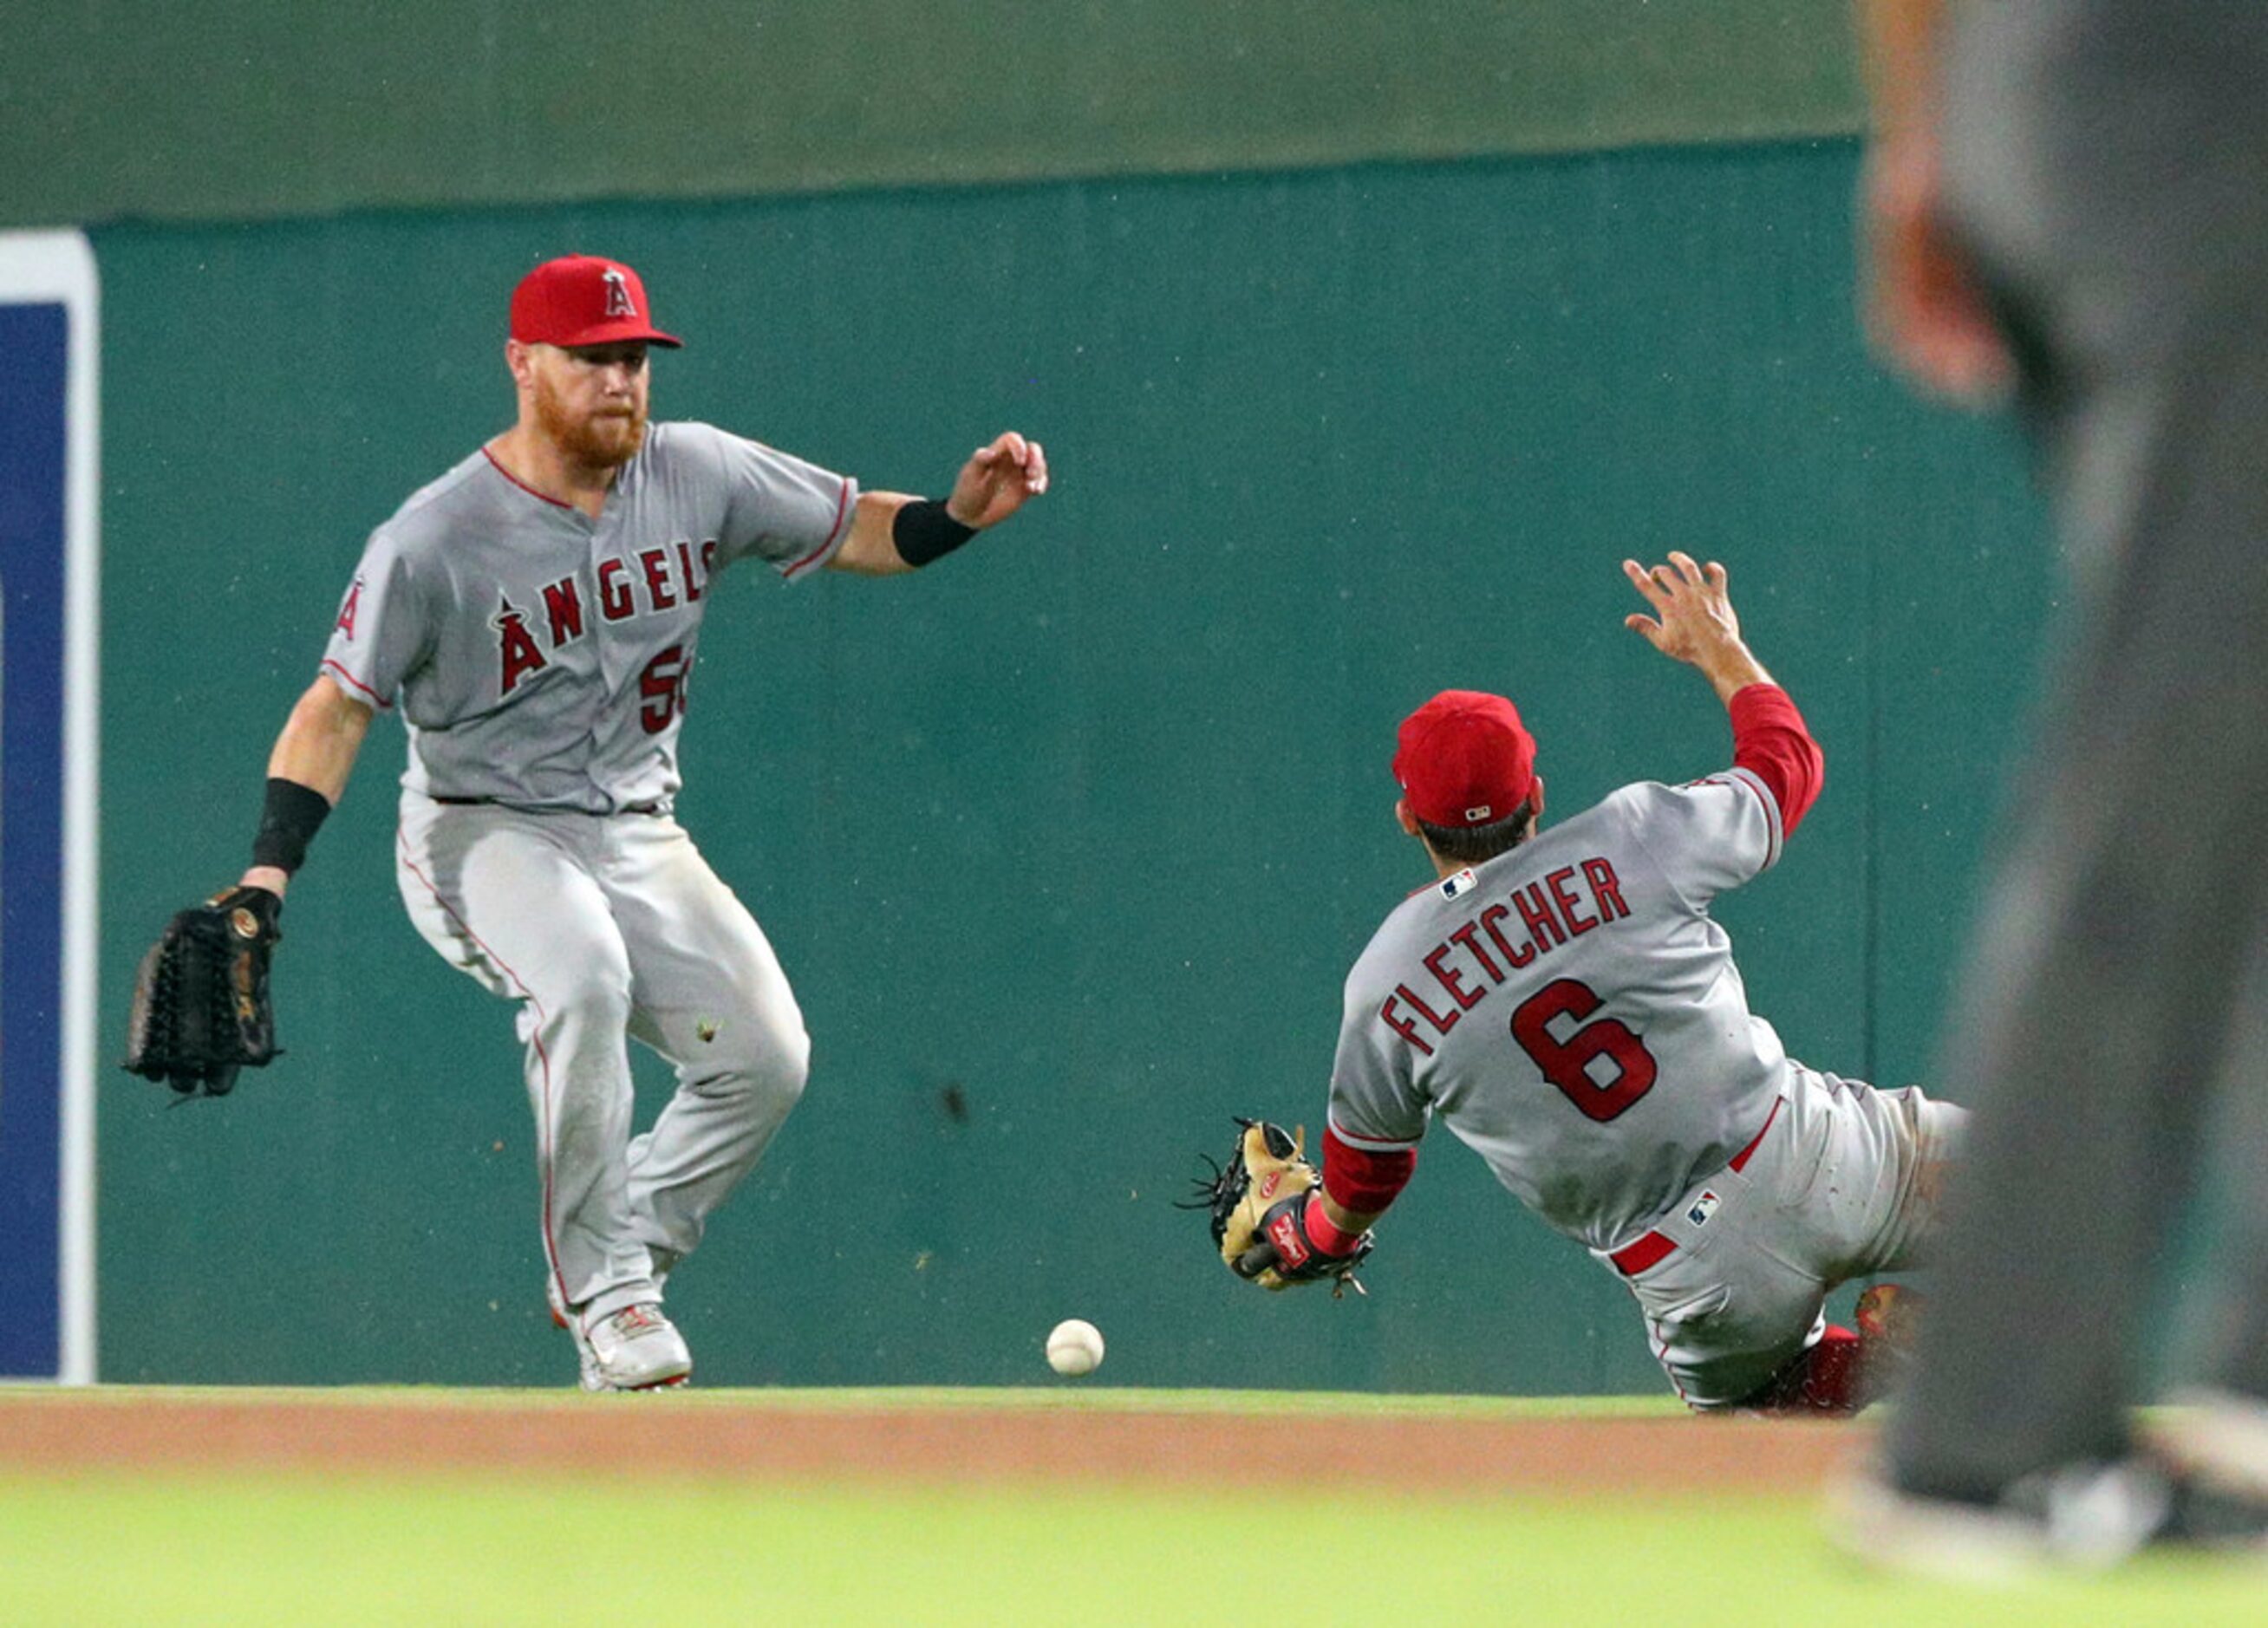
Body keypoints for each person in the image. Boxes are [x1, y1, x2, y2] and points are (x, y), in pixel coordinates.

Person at [205, 253, 1046, 1390]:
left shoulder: (695, 469)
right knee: (584, 976)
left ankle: (624, 1243)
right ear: (522, 364)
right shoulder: (434, 536)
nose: (619, 380)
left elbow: (859, 528)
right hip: (479, 828)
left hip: (636, 828)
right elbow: (336, 707)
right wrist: (267, 873)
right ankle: (606, 1289)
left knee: (765, 1058)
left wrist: (957, 517)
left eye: (634, 357)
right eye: (590, 358)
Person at [1842, 0, 2268, 1566]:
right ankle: (1987, 1438)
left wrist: (1921, 136)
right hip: (2182, 85)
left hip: (2067, 90)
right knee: (2176, 738)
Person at [1240, 553, 1965, 1413]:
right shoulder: (1632, 837)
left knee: (1767, 1407)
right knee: (2041, 1185)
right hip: (1811, 1152)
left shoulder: (1386, 981)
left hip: (1695, 1273)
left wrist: (1308, 1236)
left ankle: (1878, 1375)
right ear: (1537, 795)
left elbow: (1366, 1177)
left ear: (1407, 816)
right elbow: (1788, 769)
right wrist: (1721, 651)